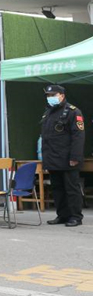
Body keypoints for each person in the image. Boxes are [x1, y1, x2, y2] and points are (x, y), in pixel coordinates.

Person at [41, 85, 85, 227]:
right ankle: (62, 215)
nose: (50, 98)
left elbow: (78, 136)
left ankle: (76, 216)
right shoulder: (48, 112)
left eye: (53, 95)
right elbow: (47, 138)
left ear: (62, 95)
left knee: (71, 189)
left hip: (68, 159)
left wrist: (75, 157)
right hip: (53, 159)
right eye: (48, 95)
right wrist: (46, 160)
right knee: (57, 189)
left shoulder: (73, 112)